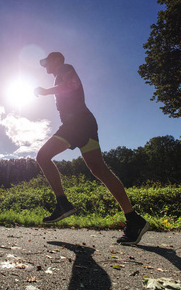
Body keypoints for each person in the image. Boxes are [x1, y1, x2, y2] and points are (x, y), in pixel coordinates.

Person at [34, 52, 149, 245]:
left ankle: (63, 203)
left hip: (77, 123)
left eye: (46, 61)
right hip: (85, 122)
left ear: (57, 60)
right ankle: (134, 219)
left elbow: (71, 86)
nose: (44, 66)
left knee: (43, 156)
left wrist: (46, 91)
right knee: (99, 170)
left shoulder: (65, 68)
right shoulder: (60, 73)